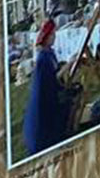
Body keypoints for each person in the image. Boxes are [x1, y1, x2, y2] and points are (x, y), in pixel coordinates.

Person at [21, 19, 69, 157]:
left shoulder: (49, 53)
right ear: (47, 37)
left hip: (49, 94)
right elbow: (51, 80)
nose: (55, 36)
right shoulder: (43, 58)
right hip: (45, 99)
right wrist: (69, 65)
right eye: (52, 34)